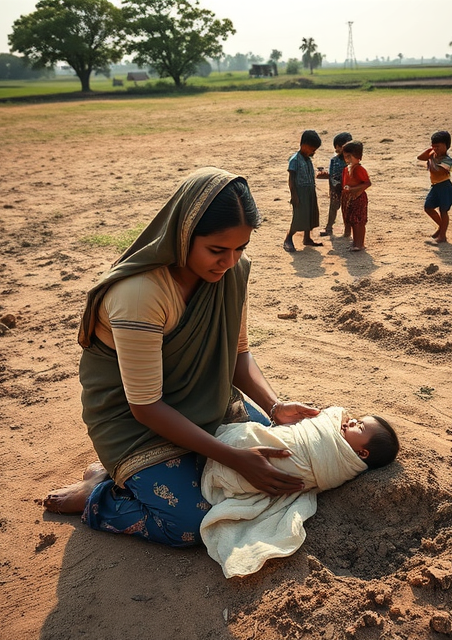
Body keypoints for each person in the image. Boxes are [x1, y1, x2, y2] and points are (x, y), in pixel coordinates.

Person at [42, 167, 320, 547]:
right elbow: (146, 406)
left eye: (241, 248)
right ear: (183, 235)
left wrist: (275, 406)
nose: (229, 261)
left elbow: (238, 355)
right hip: (134, 422)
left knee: (281, 461)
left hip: (207, 400)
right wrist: (235, 459)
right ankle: (97, 493)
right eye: (217, 250)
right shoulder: (140, 294)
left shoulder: (233, 273)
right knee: (195, 522)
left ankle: (132, 476)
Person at [200, 406, 400, 577]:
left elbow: (317, 448)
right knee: (252, 439)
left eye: (360, 426)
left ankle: (224, 463)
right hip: (240, 448)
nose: (353, 421)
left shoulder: (341, 463)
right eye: (358, 420)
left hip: (253, 463)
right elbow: (320, 423)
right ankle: (226, 452)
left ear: (362, 453)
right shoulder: (335, 427)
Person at [284, 130, 323, 252]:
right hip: (300, 192)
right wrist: (294, 195)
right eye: (312, 148)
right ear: (303, 145)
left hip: (310, 190)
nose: (313, 152)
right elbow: (291, 179)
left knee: (310, 214)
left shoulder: (308, 159)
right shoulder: (295, 159)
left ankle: (307, 238)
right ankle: (288, 238)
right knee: (299, 216)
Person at [418, 130, 452, 243]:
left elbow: (438, 171)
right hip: (435, 186)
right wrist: (430, 151)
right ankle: (442, 228)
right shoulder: (433, 155)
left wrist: (430, 158)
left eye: (438, 146)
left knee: (443, 210)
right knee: (428, 207)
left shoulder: (448, 160)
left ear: (446, 146)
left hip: (444, 187)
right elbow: (420, 157)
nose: (435, 149)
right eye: (433, 146)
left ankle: (442, 235)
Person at [316, 131, 353, 236]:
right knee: (333, 208)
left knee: (347, 210)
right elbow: (332, 174)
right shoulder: (334, 160)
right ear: (337, 147)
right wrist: (325, 175)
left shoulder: (351, 160)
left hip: (347, 190)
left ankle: (347, 230)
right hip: (334, 190)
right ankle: (329, 228)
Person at [340, 141, 372, 251]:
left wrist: (353, 190)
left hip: (358, 198)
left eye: (349, 156)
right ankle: (355, 242)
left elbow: (367, 183)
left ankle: (360, 244)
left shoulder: (359, 169)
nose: (347, 158)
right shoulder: (347, 169)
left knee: (359, 222)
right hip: (349, 198)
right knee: (353, 221)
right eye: (346, 156)